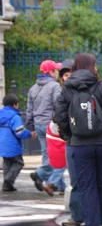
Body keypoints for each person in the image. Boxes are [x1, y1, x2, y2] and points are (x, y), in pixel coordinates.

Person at [54, 53, 102, 226]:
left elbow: (59, 116)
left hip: (80, 144)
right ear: (93, 67)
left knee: (86, 184)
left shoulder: (67, 90)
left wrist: (70, 135)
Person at [25, 59, 62, 194]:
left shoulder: (33, 88)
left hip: (38, 124)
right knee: (58, 154)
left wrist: (31, 127)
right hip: (50, 124)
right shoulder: (54, 86)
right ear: (51, 72)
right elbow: (58, 106)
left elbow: (29, 109)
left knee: (47, 153)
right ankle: (40, 174)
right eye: (56, 70)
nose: (58, 73)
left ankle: (57, 184)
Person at [58, 58, 85, 226]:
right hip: (72, 141)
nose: (67, 78)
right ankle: (77, 216)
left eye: (70, 74)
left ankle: (92, 217)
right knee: (76, 180)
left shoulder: (83, 89)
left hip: (81, 141)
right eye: (65, 75)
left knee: (89, 181)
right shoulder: (62, 93)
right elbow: (59, 117)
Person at [0, 94, 32, 191]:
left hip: (2, 144)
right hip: (13, 145)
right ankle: (8, 180)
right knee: (19, 163)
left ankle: (7, 186)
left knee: (7, 163)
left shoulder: (1, 115)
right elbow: (20, 132)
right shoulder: (15, 116)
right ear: (15, 105)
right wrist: (30, 134)